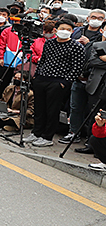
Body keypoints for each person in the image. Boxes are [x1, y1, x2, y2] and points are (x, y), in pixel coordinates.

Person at [26, 16, 85, 146]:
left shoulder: (76, 46)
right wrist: (36, 76)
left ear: (72, 31)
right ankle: (36, 132)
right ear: (56, 29)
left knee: (52, 110)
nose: (65, 31)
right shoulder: (49, 43)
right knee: (39, 108)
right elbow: (43, 60)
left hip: (58, 82)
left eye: (68, 29)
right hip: (42, 79)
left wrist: (65, 83)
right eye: (62, 28)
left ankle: (47, 137)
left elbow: (77, 67)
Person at [63, 9, 106, 144]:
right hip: (77, 76)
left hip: (95, 80)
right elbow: (96, 59)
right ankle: (73, 132)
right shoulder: (77, 32)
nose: (96, 20)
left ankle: (91, 138)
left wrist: (89, 45)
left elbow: (94, 60)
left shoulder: (102, 38)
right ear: (87, 18)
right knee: (75, 106)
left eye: (100, 18)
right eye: (93, 17)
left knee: (93, 111)